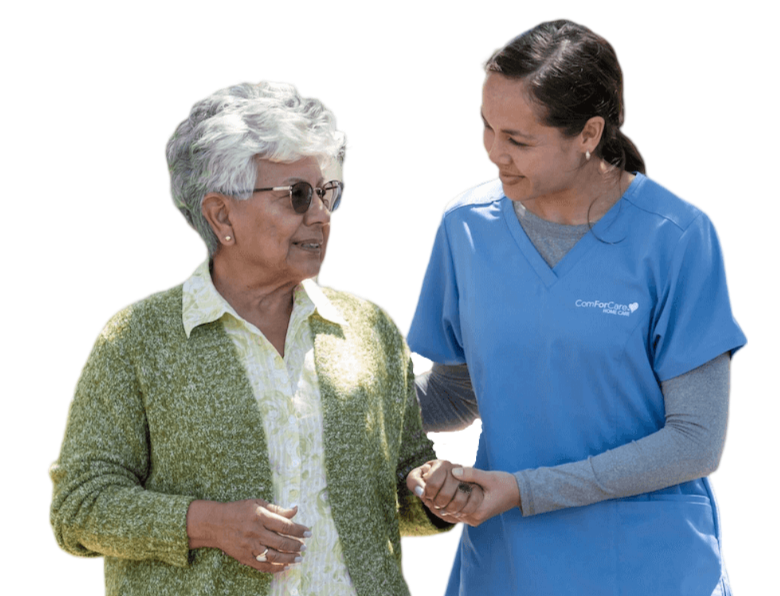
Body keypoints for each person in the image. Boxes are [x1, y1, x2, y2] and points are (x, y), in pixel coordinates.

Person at [46, 79, 485, 596]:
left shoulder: (369, 328)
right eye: (297, 196)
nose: (320, 215)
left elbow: (400, 477)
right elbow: (78, 508)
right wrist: (206, 523)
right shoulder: (137, 339)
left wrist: (432, 491)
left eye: (328, 194)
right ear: (221, 214)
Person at [402, 19, 747, 595]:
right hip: (508, 566)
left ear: (589, 132)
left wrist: (526, 490)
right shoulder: (465, 226)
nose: (493, 153)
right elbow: (456, 394)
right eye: (486, 126)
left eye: (519, 140)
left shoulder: (677, 235)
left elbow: (696, 439)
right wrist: (330, 402)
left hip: (649, 569)